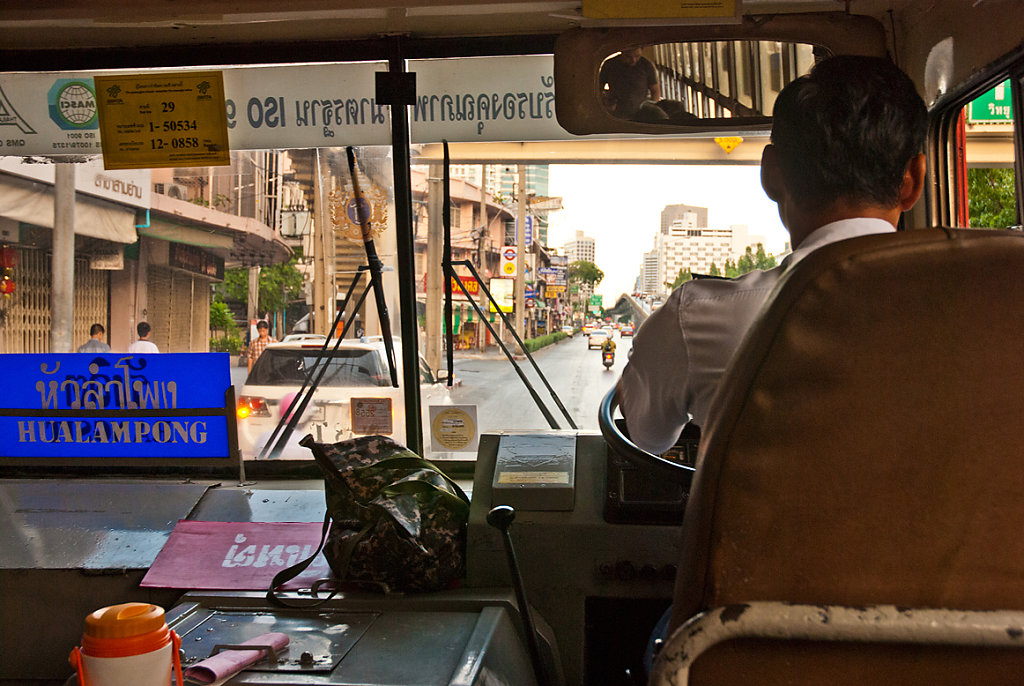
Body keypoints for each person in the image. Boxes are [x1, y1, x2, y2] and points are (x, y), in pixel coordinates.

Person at [619, 55, 928, 456]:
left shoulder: (697, 315)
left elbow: (646, 437)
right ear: (914, 180)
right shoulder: (993, 310)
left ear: (771, 174)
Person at [599, 47, 668, 122]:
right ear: (622, 52)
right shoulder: (609, 65)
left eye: (637, 56)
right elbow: (598, 89)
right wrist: (605, 103)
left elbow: (655, 91)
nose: (633, 60)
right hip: (617, 112)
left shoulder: (646, 65)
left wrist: (653, 106)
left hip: (642, 112)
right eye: (628, 57)